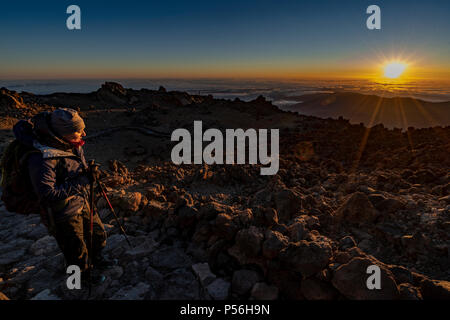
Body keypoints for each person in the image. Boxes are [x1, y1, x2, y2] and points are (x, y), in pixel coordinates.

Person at [12, 108, 108, 283]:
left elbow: (76, 168)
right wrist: (83, 181)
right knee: (75, 249)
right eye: (78, 131)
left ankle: (97, 260)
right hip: (63, 212)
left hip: (82, 200)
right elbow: (47, 193)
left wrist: (89, 173)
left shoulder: (69, 143)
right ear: (63, 133)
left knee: (98, 235)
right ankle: (81, 277)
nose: (84, 133)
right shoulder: (42, 158)